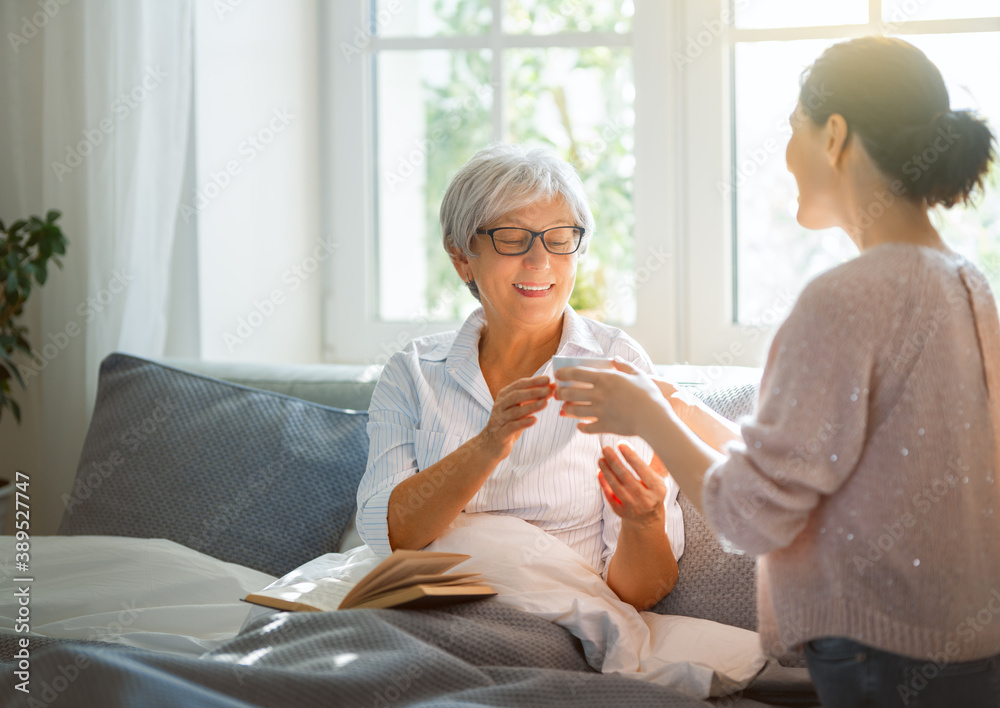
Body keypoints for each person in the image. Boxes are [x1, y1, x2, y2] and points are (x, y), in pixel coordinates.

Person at [555, 36, 1000, 706]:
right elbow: (847, 471)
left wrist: (643, 414)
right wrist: (685, 414)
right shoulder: (968, 285)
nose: (786, 157)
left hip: (879, 655)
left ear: (836, 135)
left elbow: (752, 516)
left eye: (795, 129)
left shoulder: (845, 298)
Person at [356, 144, 684, 610]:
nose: (539, 260)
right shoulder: (413, 372)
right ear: (462, 257)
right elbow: (388, 535)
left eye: (559, 237)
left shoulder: (616, 363)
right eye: (512, 238)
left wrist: (646, 520)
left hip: (555, 622)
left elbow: (640, 592)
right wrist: (489, 444)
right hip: (423, 613)